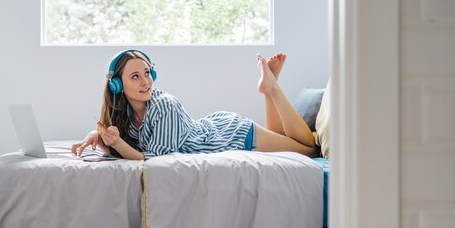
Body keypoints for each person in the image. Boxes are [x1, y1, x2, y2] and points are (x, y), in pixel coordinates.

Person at [71, 50, 318, 160]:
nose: (146, 81)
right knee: (280, 138)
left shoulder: (165, 105)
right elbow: (123, 151)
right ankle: (268, 89)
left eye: (147, 73)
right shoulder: (123, 111)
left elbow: (152, 159)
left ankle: (272, 88)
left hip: (232, 135)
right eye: (135, 77)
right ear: (117, 86)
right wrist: (101, 138)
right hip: (214, 127)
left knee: (309, 150)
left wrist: (115, 143)